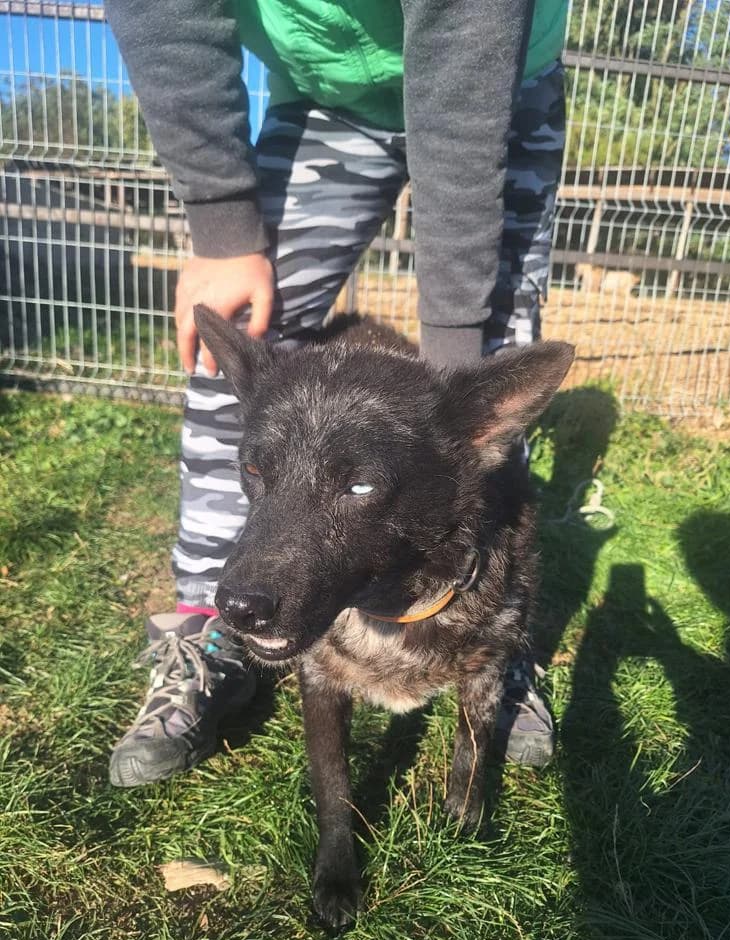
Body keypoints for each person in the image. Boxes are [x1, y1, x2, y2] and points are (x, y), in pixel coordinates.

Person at [104, 0, 569, 787]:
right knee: (239, 375)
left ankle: (492, 644)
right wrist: (221, 222)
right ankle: (210, 636)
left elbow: (467, 30)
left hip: (492, 84)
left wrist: (452, 380)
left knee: (483, 398)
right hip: (324, 90)